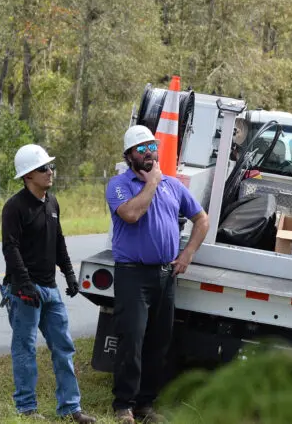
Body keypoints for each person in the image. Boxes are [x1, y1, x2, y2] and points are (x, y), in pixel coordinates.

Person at [106, 125, 209, 424]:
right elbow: (131, 214)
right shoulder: (119, 185)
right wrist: (152, 183)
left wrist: (188, 253)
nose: (149, 152)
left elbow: (201, 219)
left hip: (165, 275)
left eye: (152, 146)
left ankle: (145, 404)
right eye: (142, 148)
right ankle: (123, 404)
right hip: (132, 275)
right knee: (132, 340)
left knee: (159, 341)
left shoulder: (174, 186)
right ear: (129, 156)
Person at [0, 144, 96, 422]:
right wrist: (24, 284)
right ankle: (27, 409)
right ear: (28, 175)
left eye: (50, 166)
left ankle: (71, 408)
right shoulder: (14, 207)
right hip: (24, 292)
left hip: (50, 290)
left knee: (64, 347)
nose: (50, 171)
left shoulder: (52, 202)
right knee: (25, 348)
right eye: (43, 168)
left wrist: (68, 274)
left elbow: (58, 241)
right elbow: (10, 248)